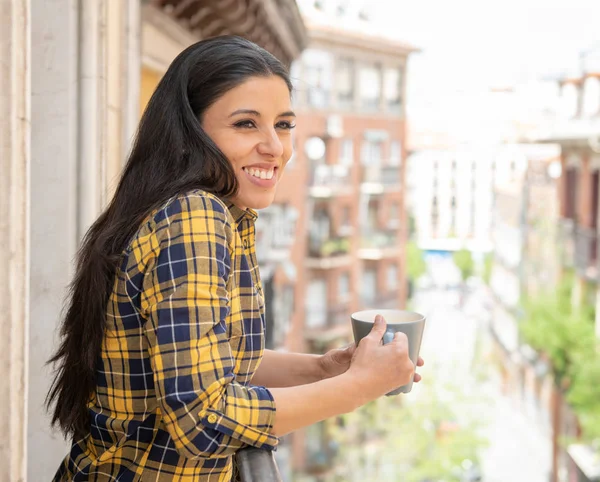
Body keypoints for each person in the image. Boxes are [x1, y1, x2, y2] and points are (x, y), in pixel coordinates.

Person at [46, 36, 424, 481]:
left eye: (283, 125)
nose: (275, 147)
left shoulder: (217, 212)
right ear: (191, 132)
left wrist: (322, 369)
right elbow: (201, 419)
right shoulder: (195, 216)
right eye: (246, 124)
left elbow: (207, 357)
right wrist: (358, 386)